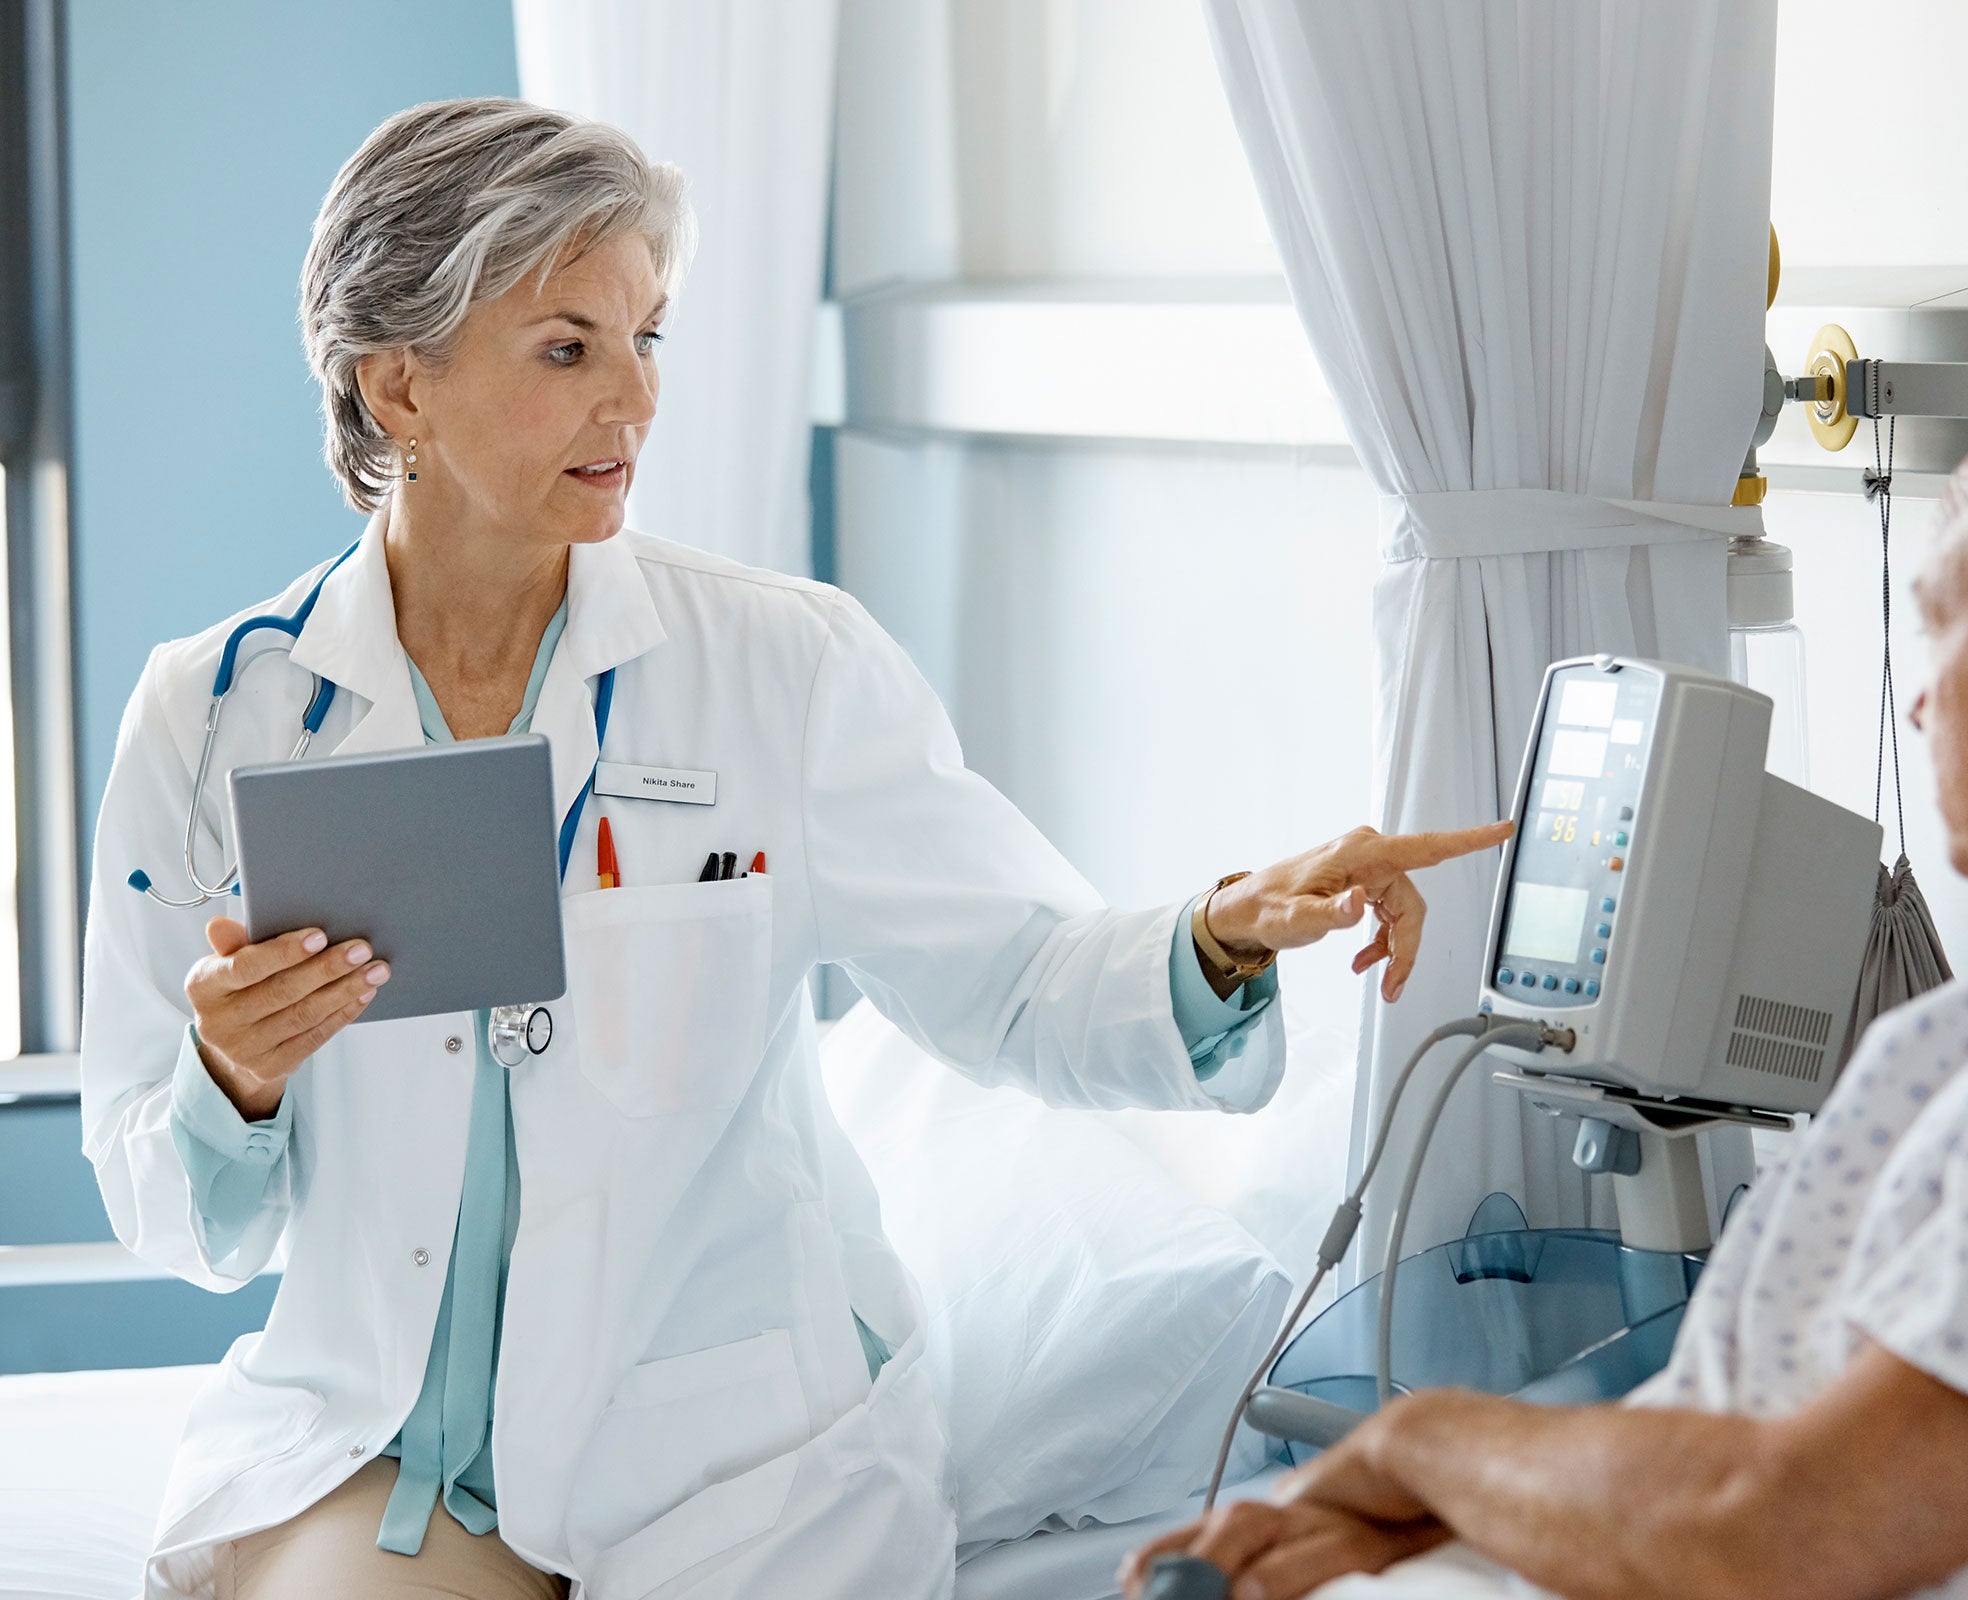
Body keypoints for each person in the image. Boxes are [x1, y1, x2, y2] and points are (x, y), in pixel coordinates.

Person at [80, 99, 1509, 1600]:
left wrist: (1219, 929)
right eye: (568, 348)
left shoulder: (784, 666)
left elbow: (1016, 981)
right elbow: (164, 1202)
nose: (631, 403)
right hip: (395, 1442)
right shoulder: (216, 713)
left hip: (730, 1458)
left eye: (649, 341)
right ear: (399, 388)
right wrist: (232, 1080)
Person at [1127, 368, 1968, 1600]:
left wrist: (1417, 1449)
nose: (1914, 701)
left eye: (1938, 622)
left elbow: (1781, 1530)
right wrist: (1439, 1521)